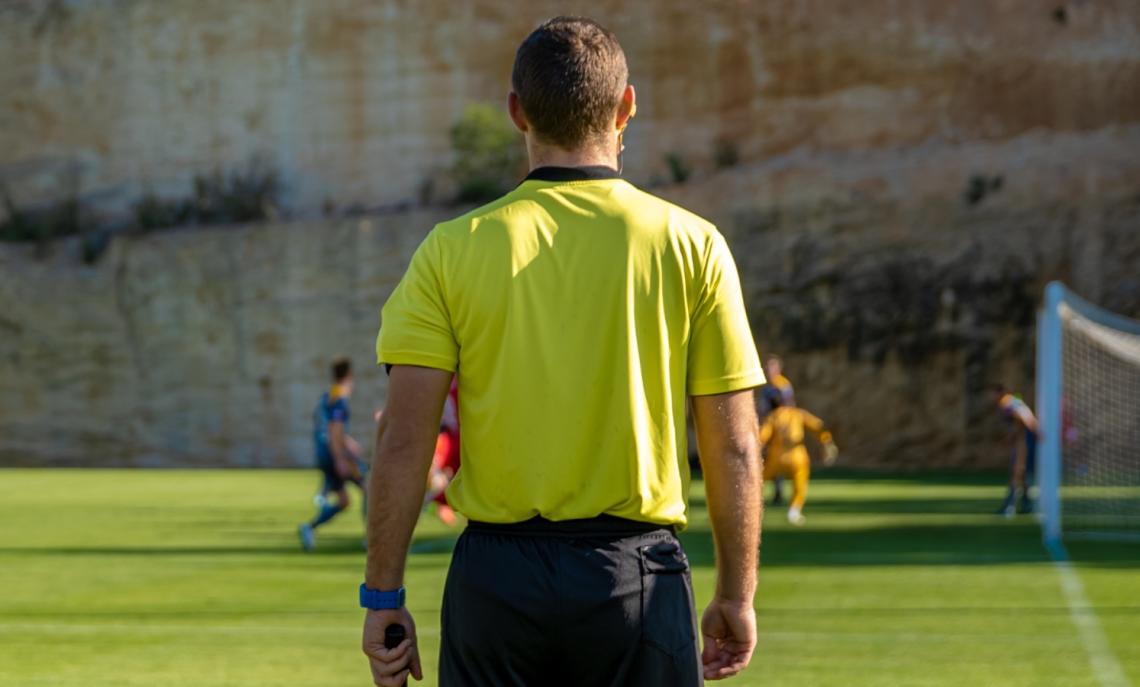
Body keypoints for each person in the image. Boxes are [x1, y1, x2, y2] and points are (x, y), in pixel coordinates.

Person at [361, 17, 765, 687]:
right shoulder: (693, 244)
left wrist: (383, 597)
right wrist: (736, 594)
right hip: (637, 578)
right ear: (626, 105)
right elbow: (735, 444)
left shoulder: (449, 249)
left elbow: (404, 439)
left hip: (495, 581)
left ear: (517, 112)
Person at [298, 356, 366, 551]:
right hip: (334, 454)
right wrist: (340, 458)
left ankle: (309, 527)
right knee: (369, 489)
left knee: (344, 501)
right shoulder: (341, 399)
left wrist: (347, 441)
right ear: (350, 375)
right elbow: (334, 429)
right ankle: (371, 539)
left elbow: (328, 427)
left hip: (324, 452)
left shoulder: (328, 395)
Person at [758, 395, 838, 526]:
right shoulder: (799, 413)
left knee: (759, 481)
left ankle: (747, 504)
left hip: (777, 457)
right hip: (797, 457)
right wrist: (826, 440)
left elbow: (762, 436)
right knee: (800, 484)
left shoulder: (773, 416)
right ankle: (794, 511)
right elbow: (817, 426)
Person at [988, 383, 1040, 517]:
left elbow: (1024, 416)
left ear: (998, 392)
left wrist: (1035, 432)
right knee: (1021, 473)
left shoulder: (1008, 402)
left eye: (992, 393)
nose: (990, 397)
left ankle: (1008, 508)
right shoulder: (1011, 401)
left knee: (1017, 471)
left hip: (1026, 440)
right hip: (1024, 439)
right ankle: (1027, 505)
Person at [759, 355, 796, 505]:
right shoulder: (766, 387)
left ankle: (779, 492)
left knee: (777, 459)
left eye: (771, 367)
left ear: (778, 368)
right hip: (768, 426)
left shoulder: (782, 385)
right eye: (767, 367)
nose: (768, 370)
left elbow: (789, 405)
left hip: (778, 428)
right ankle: (775, 491)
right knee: (769, 458)